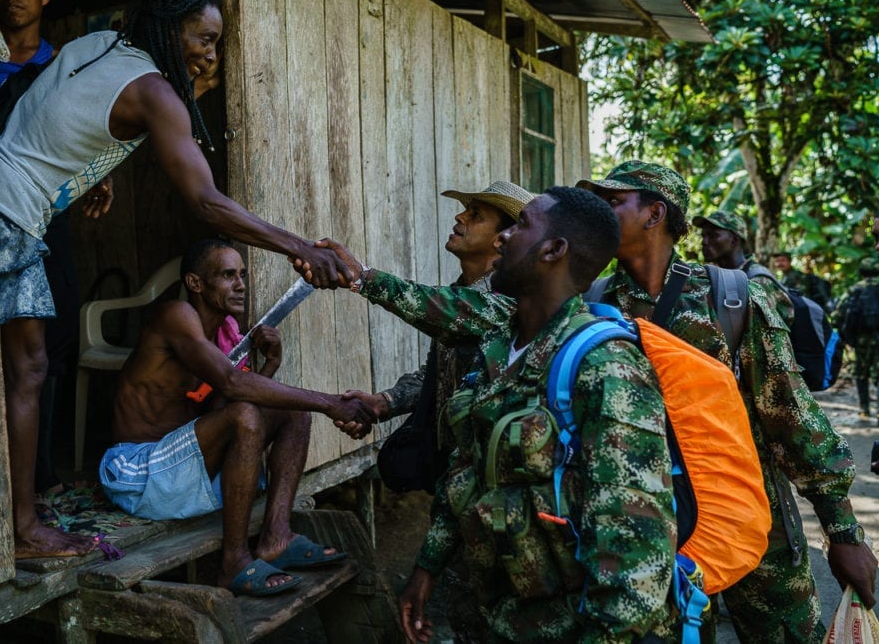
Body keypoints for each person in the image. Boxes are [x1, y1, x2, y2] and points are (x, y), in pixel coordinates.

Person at [0, 0, 354, 558]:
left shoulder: (102, 45)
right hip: (10, 211)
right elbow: (207, 201)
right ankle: (25, 528)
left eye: (215, 44)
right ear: (167, 30)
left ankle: (23, 513)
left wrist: (89, 172)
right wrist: (300, 249)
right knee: (29, 371)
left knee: (24, 368)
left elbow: (58, 112)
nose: (209, 56)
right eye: (203, 40)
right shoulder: (155, 92)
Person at [312, 187, 678, 641]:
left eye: (521, 226)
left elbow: (638, 566)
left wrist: (361, 276)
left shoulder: (608, 369)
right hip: (497, 611)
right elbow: (467, 473)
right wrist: (426, 569)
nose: (504, 238)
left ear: (554, 250)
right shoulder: (499, 349)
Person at [578, 160, 877, 641]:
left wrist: (843, 532)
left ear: (655, 214)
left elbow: (791, 417)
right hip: (649, 530)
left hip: (754, 525)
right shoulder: (591, 304)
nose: (596, 213)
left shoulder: (732, 298)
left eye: (612, 202)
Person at [100, 240, 374, 595]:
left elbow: (220, 413)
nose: (241, 284)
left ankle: (276, 536)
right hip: (138, 473)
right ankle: (233, 563)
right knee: (246, 413)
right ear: (196, 283)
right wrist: (331, 403)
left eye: (242, 274)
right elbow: (234, 389)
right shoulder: (176, 316)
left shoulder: (221, 334)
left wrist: (271, 365)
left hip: (180, 472)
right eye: (228, 275)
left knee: (293, 414)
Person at [343, 180, 529, 642]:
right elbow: (436, 374)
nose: (460, 218)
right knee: (464, 606)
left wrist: (360, 275)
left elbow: (442, 310)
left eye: (477, 215)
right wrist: (386, 401)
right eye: (465, 210)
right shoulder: (460, 293)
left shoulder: (506, 300)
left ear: (505, 238)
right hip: (456, 484)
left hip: (495, 492)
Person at [0, 0, 114, 495]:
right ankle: (1, 481)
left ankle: (42, 474)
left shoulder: (61, 63)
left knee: (53, 331)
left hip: (44, 210)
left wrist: (97, 176)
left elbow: (84, 130)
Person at [695, 209, 794, 327]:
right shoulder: (713, 276)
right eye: (703, 236)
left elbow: (767, 335)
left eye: (713, 236)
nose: (704, 242)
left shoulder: (757, 280)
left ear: (734, 240)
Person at [832, 248, 879, 420]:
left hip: (861, 339)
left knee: (861, 373)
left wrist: (842, 332)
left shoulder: (855, 289)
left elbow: (839, 314)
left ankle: (864, 410)